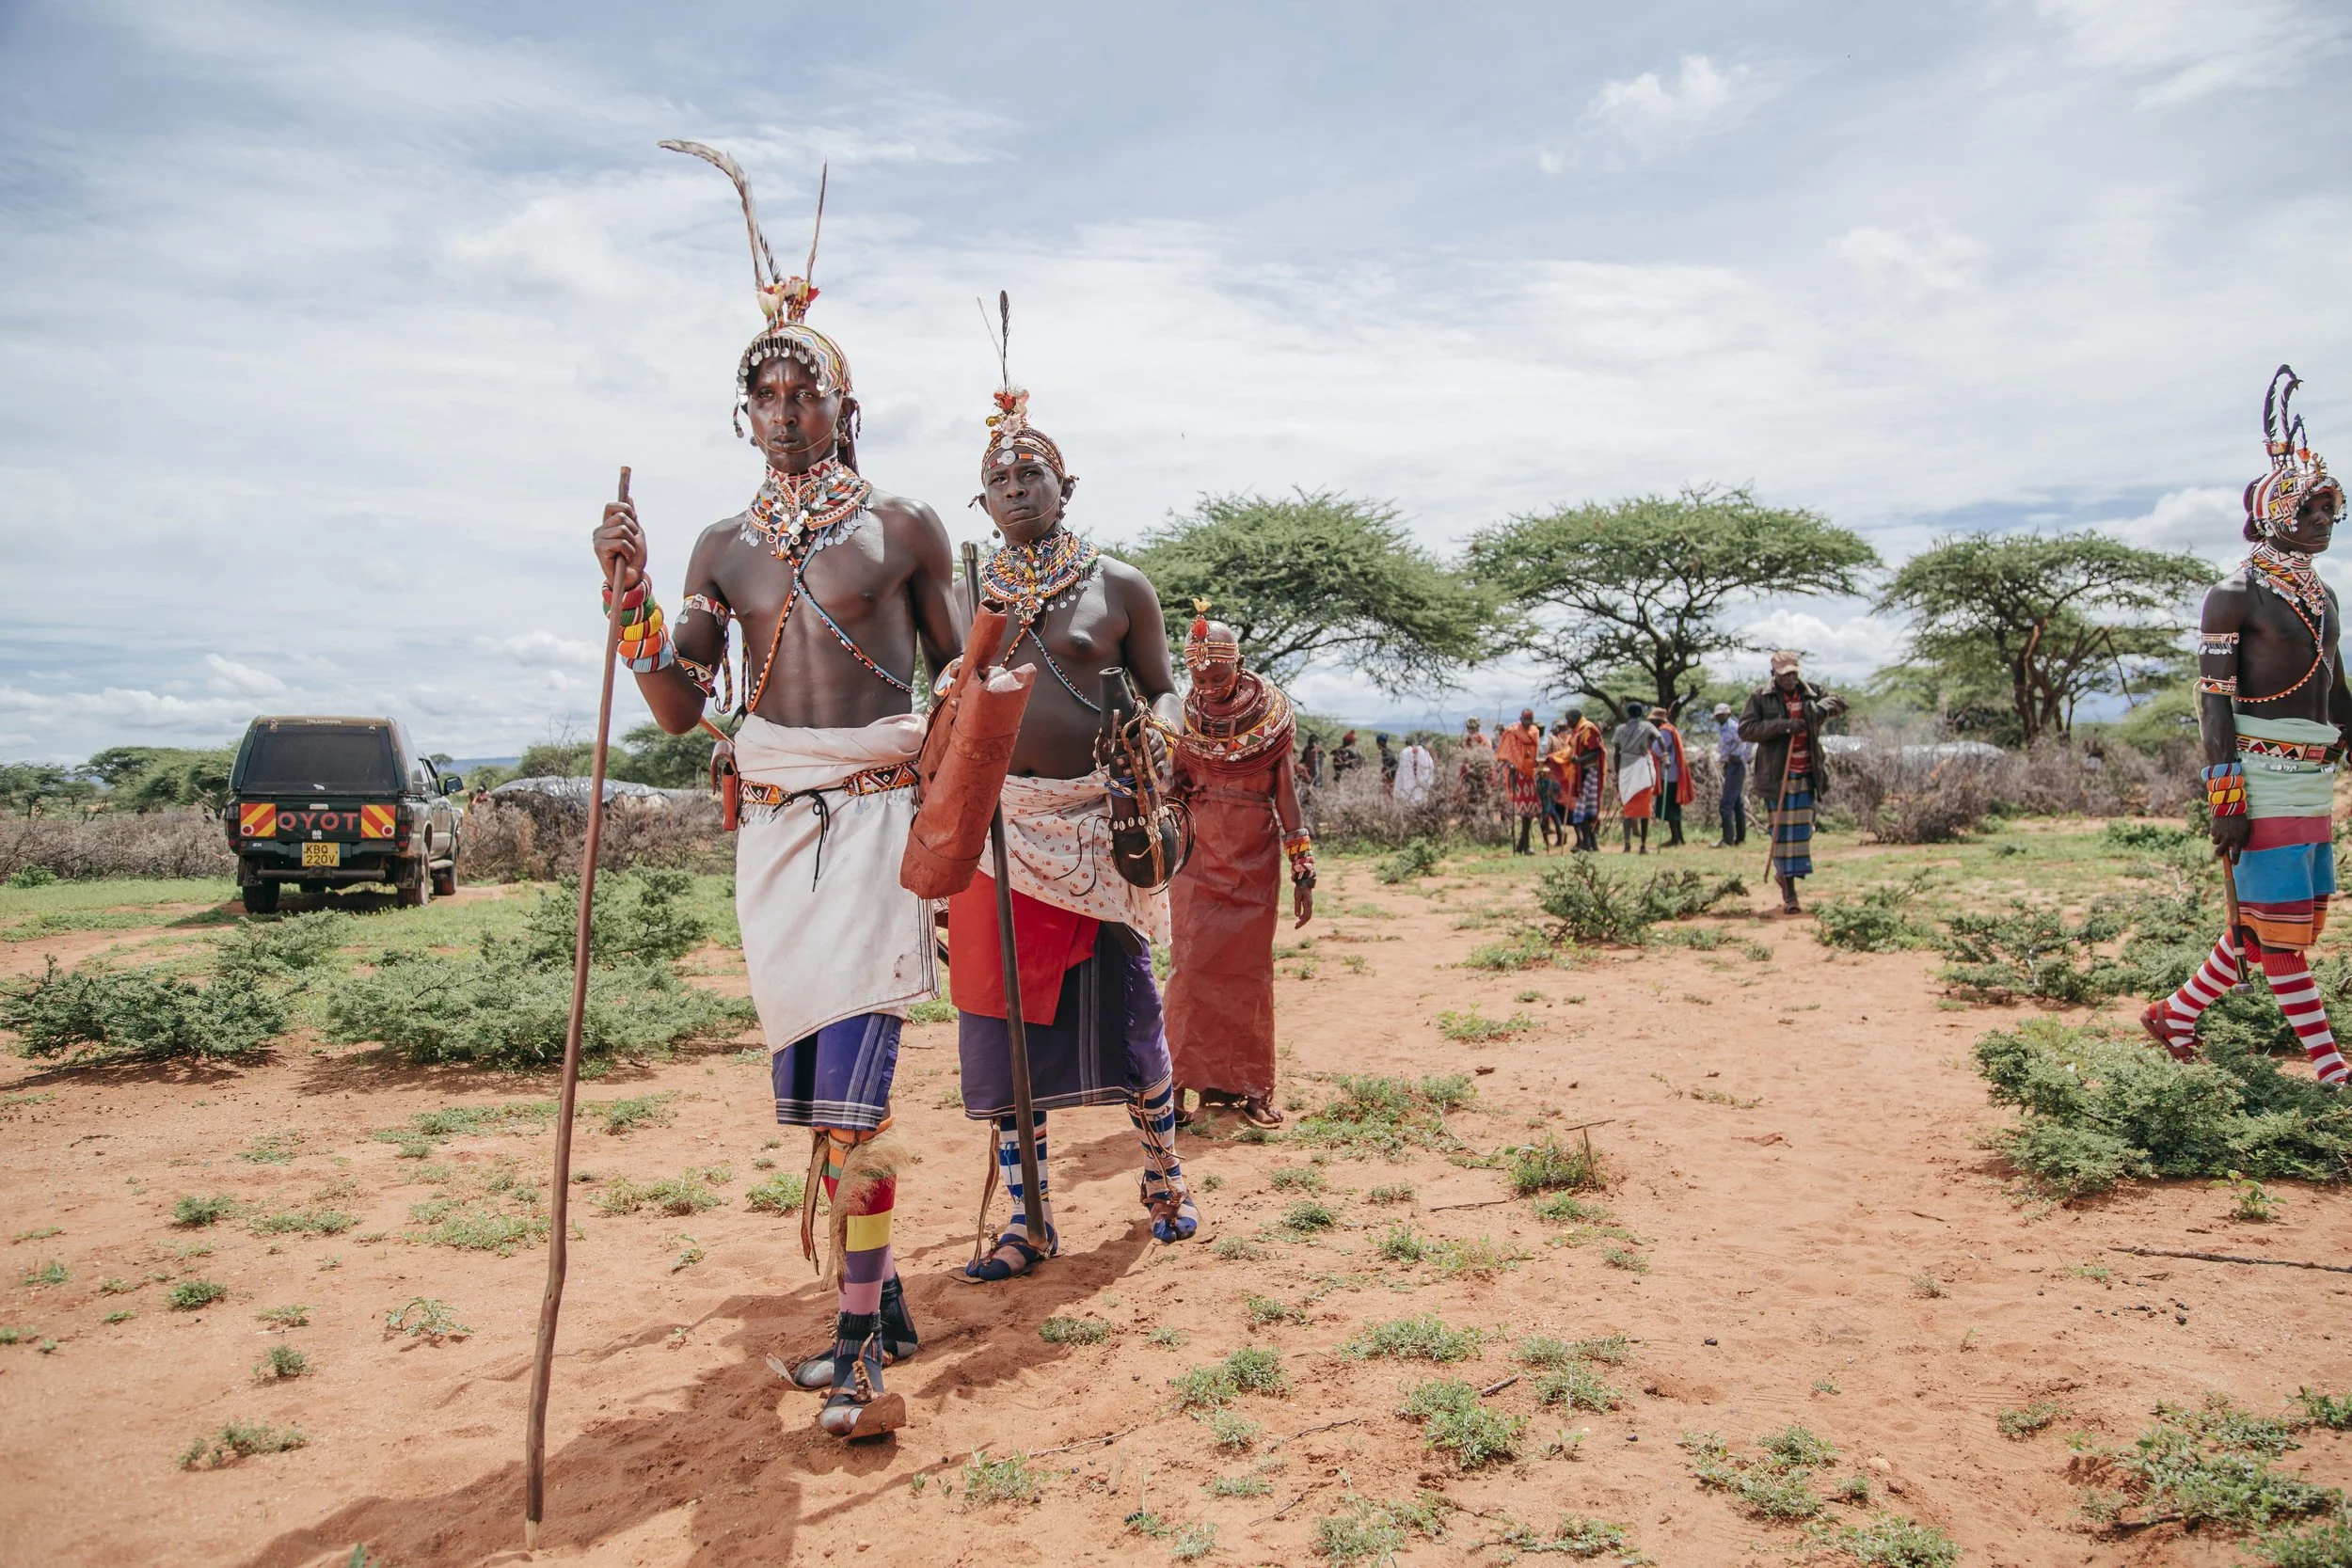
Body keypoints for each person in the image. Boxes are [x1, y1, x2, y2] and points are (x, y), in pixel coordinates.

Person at [592, 145, 961, 1441]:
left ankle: (858, 1349)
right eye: (770, 396)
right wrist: (630, 598)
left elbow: (972, 678)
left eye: (809, 392)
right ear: (745, 416)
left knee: (859, 1105)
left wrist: (958, 811)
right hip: (770, 836)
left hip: (872, 825)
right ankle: (891, 1293)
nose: (789, 410)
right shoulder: (722, 547)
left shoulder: (904, 527)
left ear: (846, 409)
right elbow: (686, 702)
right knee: (813, 1098)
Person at [947, 336, 1199, 1284]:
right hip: (999, 836)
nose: (1016, 487)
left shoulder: (1120, 584)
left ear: (1067, 483)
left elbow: (1163, 689)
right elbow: (951, 689)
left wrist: (1156, 748)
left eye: (1032, 472)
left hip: (1102, 828)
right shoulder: (970, 592)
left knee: (1131, 1015)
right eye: (999, 478)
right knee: (1002, 1028)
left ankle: (1165, 1180)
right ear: (983, 502)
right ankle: (1027, 1219)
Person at [2144, 366, 2350, 1089]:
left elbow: (2338, 690)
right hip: (2258, 779)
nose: (2325, 520)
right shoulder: (2231, 596)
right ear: (2273, 515)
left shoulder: (2322, 596)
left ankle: (2175, 1012)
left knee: (2274, 926)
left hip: (2312, 779)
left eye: (2332, 509)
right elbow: (2212, 704)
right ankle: (2330, 1068)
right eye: (2312, 509)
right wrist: (2226, 799)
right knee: (2279, 933)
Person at [1168, 613, 1314, 1130]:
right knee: (1189, 967)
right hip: (1197, 854)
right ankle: (1177, 1090)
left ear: (1240, 666)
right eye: (1199, 681)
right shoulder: (1182, 719)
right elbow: (1174, 788)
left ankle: (1251, 1088)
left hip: (1254, 856)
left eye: (1217, 679)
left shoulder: (1272, 720)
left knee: (1248, 973)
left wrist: (1303, 868)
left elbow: (1287, 797)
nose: (1207, 689)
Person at [1739, 651, 1849, 914]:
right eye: (1784, 674)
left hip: (1806, 773)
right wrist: (1784, 725)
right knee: (1781, 835)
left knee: (1801, 833)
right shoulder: (1760, 697)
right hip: (1777, 777)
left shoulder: (1811, 693)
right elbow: (1746, 730)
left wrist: (1820, 709)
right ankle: (1789, 893)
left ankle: (1788, 878)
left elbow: (1841, 702)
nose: (1790, 678)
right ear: (1773, 674)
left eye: (1793, 673)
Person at [1611, 700, 1662, 854]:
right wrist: (1662, 754)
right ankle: (1643, 845)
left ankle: (1627, 845)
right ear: (1641, 714)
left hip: (1626, 770)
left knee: (1628, 808)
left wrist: (1617, 771)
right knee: (1645, 810)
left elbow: (1616, 752)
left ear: (1628, 713)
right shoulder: (1647, 726)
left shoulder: (1620, 729)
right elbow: (1660, 739)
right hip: (1642, 769)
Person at [1495, 707, 1544, 855]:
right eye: (1525, 719)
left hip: (1530, 775)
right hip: (1517, 775)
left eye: (1530, 720)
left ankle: (1523, 844)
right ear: (1521, 718)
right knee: (1524, 812)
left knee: (1529, 813)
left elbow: (1535, 753)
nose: (1528, 723)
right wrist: (1511, 764)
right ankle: (1524, 845)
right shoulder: (1512, 732)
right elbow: (1505, 753)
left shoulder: (1534, 732)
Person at [1565, 707, 1606, 852]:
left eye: (1569, 720)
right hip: (1582, 773)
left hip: (1590, 772)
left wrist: (1579, 760)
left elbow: (1596, 751)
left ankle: (1588, 844)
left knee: (1584, 810)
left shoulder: (1588, 729)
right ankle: (1589, 843)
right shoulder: (1578, 731)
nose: (1567, 723)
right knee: (1585, 809)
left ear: (1575, 718)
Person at [1653, 710, 1694, 848]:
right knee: (1674, 807)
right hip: (1674, 773)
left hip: (1669, 774)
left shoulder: (1664, 732)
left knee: (1670, 807)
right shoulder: (1672, 729)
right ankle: (1679, 837)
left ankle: (1675, 837)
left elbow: (1658, 749)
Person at [1712, 701, 1751, 847]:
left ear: (1727, 714)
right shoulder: (1722, 728)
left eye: (1721, 715)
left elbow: (1746, 741)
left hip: (1736, 765)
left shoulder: (1733, 727)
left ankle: (1727, 839)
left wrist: (1739, 756)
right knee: (1736, 803)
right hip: (1729, 766)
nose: (1719, 718)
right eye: (1717, 716)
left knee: (1726, 804)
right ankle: (1740, 838)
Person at [1536, 720, 1574, 849]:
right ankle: (1558, 837)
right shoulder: (1561, 742)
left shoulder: (1544, 741)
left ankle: (1556, 837)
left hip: (1546, 778)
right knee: (1551, 808)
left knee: (1548, 810)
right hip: (1557, 779)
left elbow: (1541, 758)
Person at [1457, 717, 1494, 808]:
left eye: (1470, 728)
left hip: (1478, 772)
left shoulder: (1476, 739)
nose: (1470, 731)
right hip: (1483, 772)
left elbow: (1469, 757)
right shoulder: (1485, 738)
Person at [1394, 734, 1438, 804]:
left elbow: (1399, 774)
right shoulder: (1425, 754)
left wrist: (1397, 792)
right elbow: (1429, 772)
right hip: (1420, 791)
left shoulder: (1404, 752)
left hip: (1407, 792)